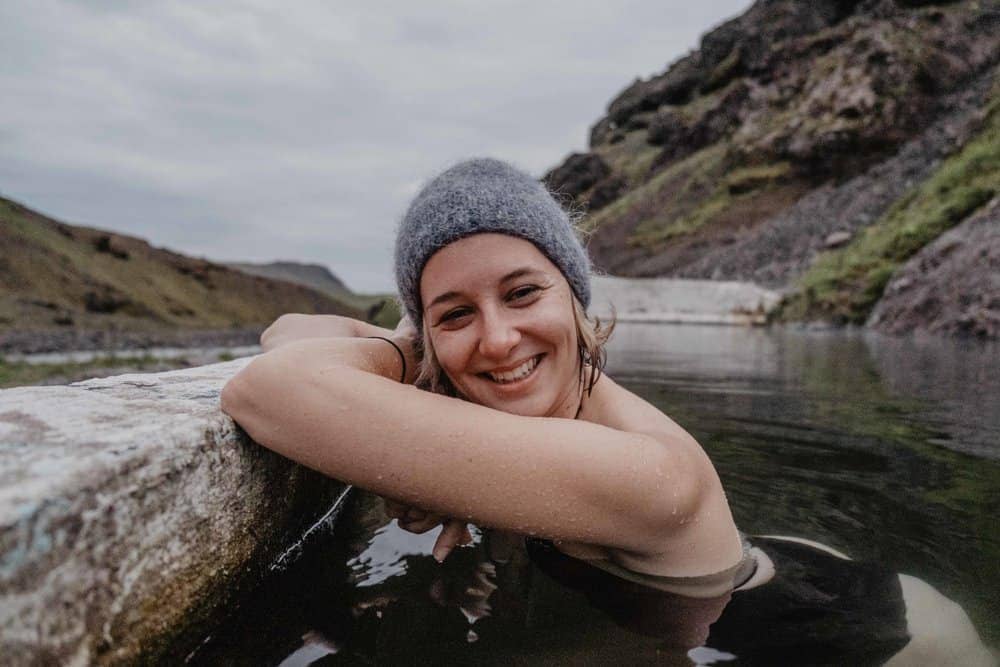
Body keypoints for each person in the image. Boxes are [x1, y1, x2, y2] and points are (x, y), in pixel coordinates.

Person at [220, 157, 752, 597]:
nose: (497, 340)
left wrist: (423, 358)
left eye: (522, 293)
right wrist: (424, 354)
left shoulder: (651, 472)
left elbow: (269, 386)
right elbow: (288, 331)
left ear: (574, 296)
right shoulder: (528, 419)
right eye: (456, 314)